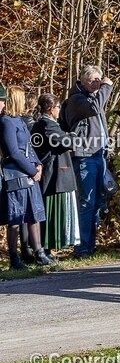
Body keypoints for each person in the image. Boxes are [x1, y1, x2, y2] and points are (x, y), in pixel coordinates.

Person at [60, 65, 113, 258]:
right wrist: (107, 87)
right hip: (85, 156)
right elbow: (95, 108)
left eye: (99, 79)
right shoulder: (77, 100)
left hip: (99, 155)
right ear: (82, 81)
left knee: (98, 201)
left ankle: (91, 245)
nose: (97, 83)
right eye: (92, 80)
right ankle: (82, 247)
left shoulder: (92, 98)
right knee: (87, 203)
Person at [1, 82, 52, 269]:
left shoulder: (20, 120)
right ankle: (14, 258)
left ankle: (39, 252)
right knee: (16, 218)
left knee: (33, 214)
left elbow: (29, 147)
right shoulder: (6, 122)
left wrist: (38, 165)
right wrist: (31, 170)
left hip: (30, 173)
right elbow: (13, 152)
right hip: (15, 175)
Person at [32, 93, 80, 255]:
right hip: (53, 176)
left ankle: (47, 249)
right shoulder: (47, 125)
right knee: (51, 214)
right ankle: (46, 249)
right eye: (58, 107)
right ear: (51, 109)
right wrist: (73, 136)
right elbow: (64, 142)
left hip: (54, 175)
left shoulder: (48, 124)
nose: (59, 110)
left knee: (52, 213)